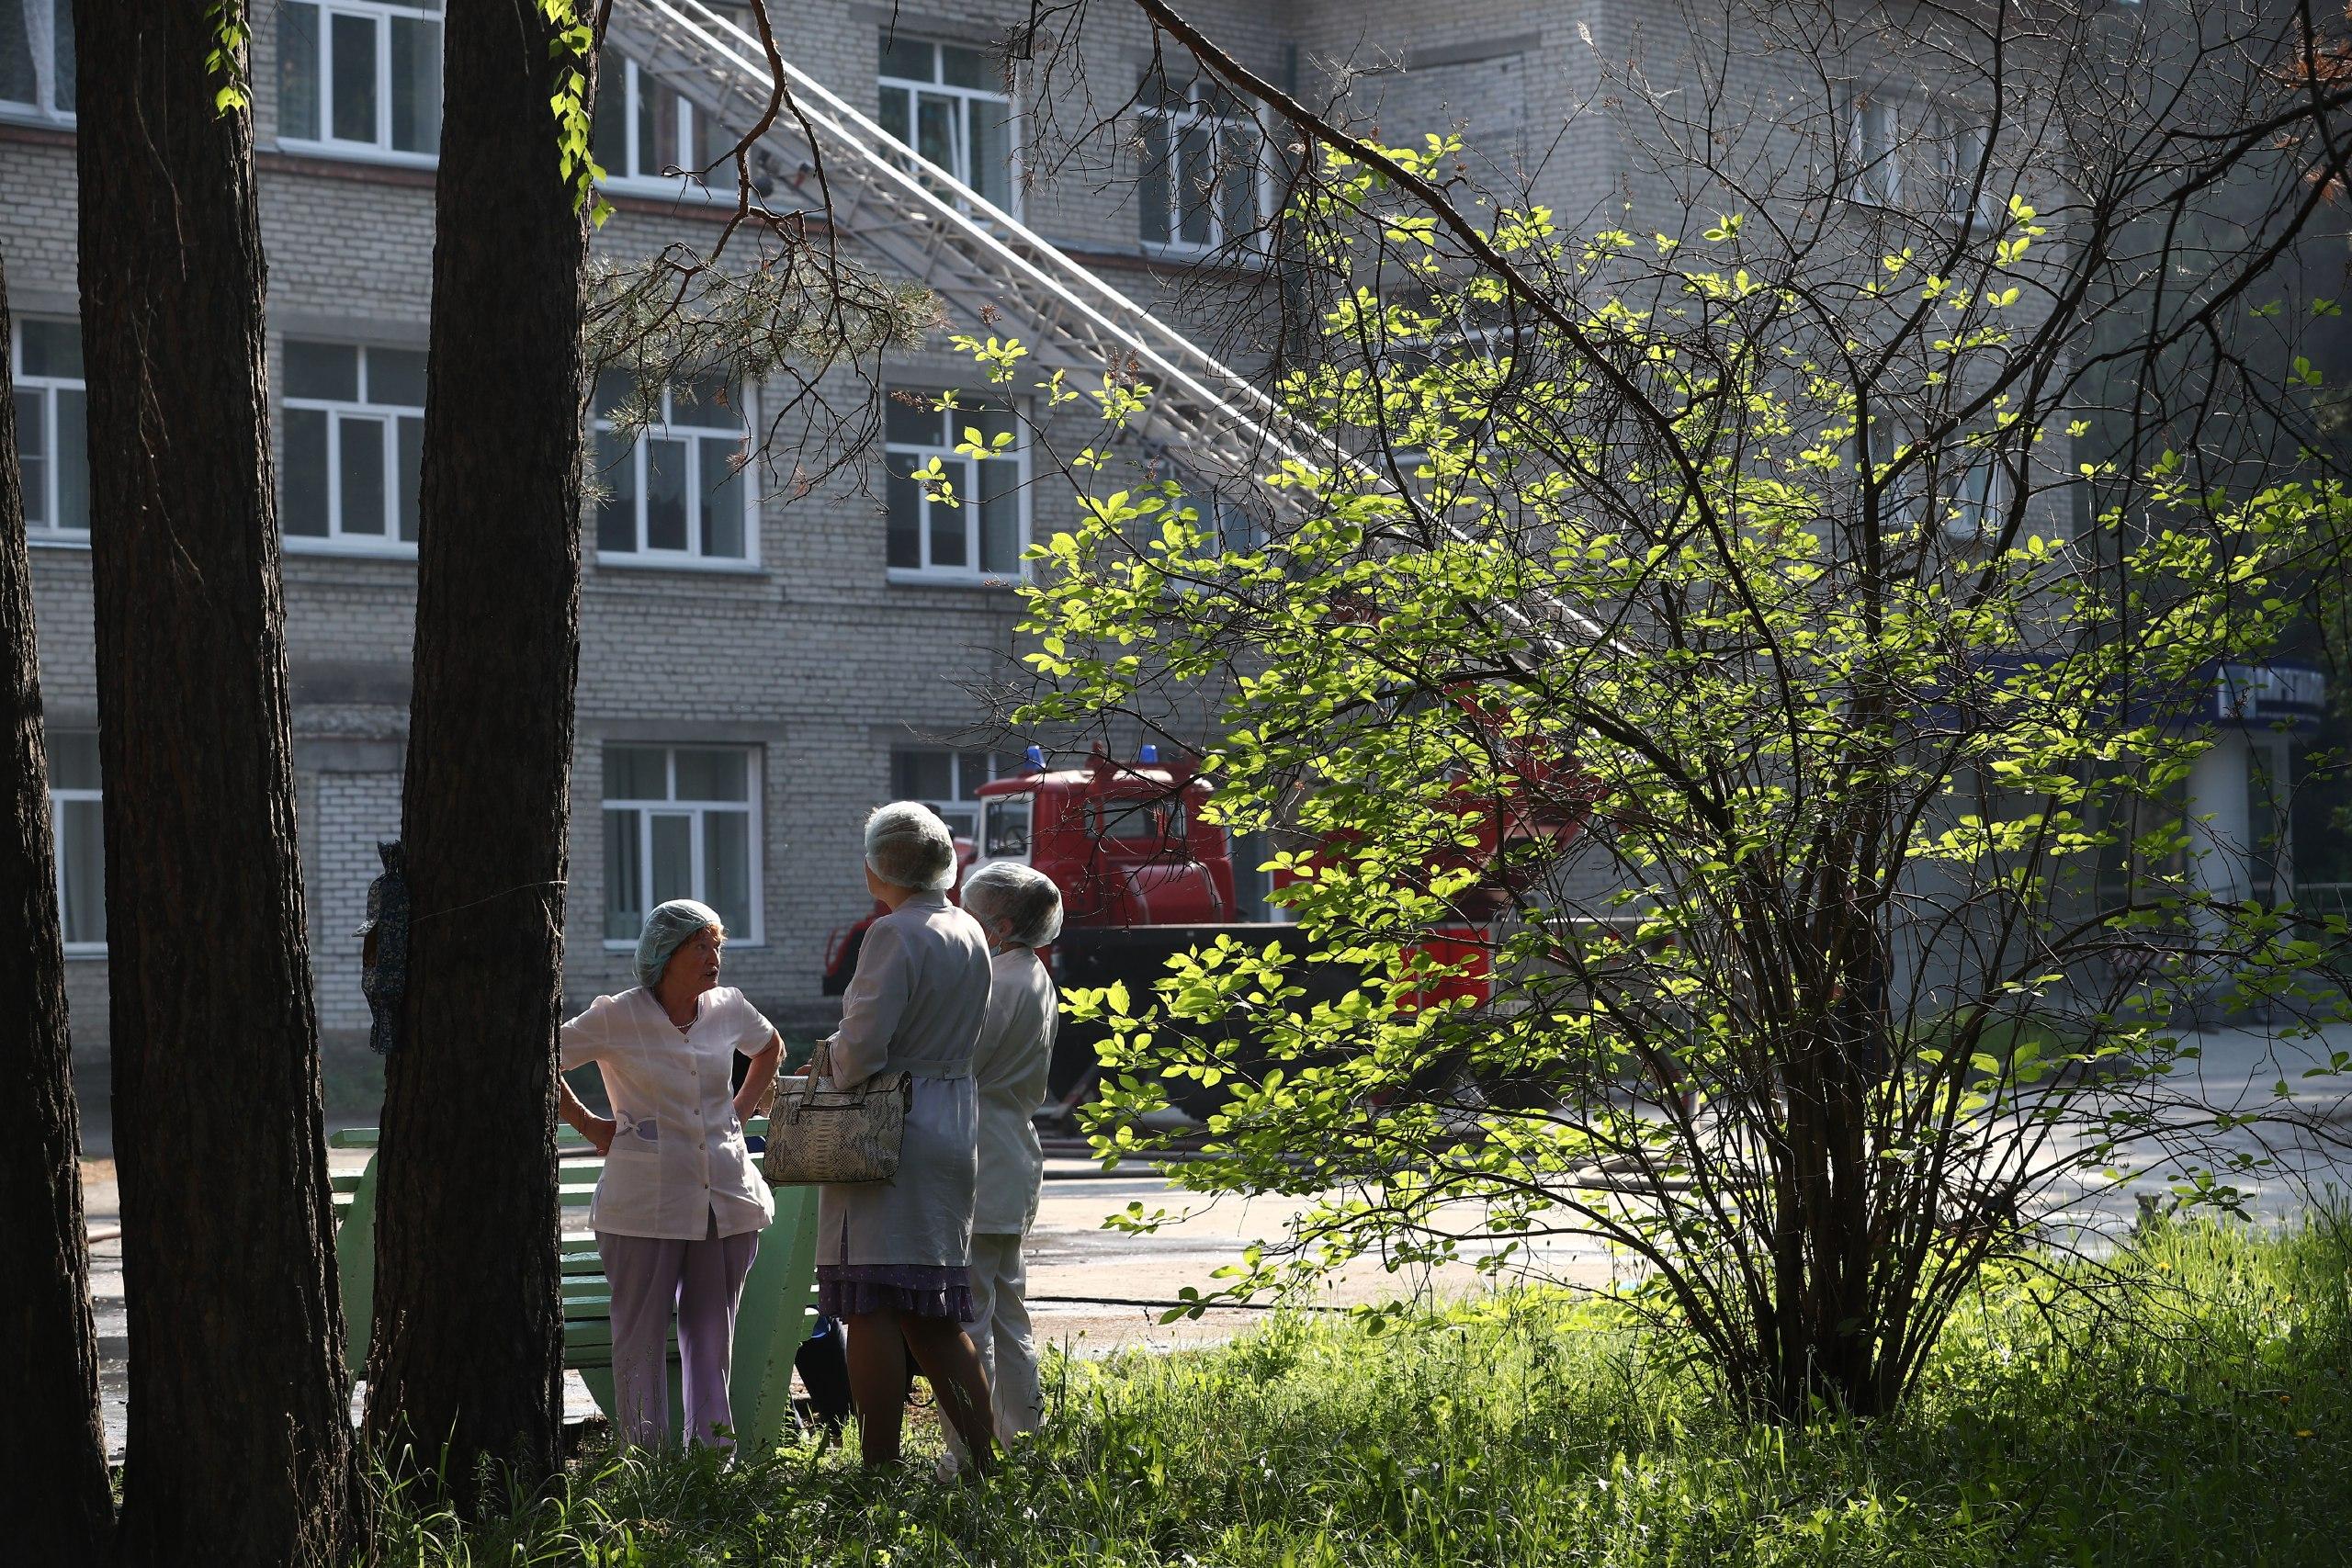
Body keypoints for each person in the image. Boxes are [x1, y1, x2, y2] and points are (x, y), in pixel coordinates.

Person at [556, 898, 783, 1450]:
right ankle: (645, 1462)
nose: (714, 957)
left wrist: (743, 1107)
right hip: (644, 1204)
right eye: (700, 946)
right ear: (664, 953)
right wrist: (590, 1125)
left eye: (718, 946)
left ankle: (712, 1457)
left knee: (711, 1336)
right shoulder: (618, 1015)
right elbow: (540, 1054)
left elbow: (769, 1048)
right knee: (639, 1337)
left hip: (725, 1199)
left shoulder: (728, 1007)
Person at [818, 801, 1000, 1471]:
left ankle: (878, 1467)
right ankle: (987, 1462)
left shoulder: (892, 933)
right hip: (952, 1120)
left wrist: (831, 1055)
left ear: (875, 869)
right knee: (931, 1311)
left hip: (889, 1127)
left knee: (871, 1306)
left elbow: (863, 1048)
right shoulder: (968, 927)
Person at [945, 861, 1062, 1467]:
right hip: (1012, 1156)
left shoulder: (999, 981)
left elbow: (956, 1057)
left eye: (978, 909)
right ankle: (1027, 1441)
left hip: (979, 1158)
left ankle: (968, 1453)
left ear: (1005, 920)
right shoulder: (1035, 976)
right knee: (1009, 1315)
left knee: (969, 1320)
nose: (969, 919)